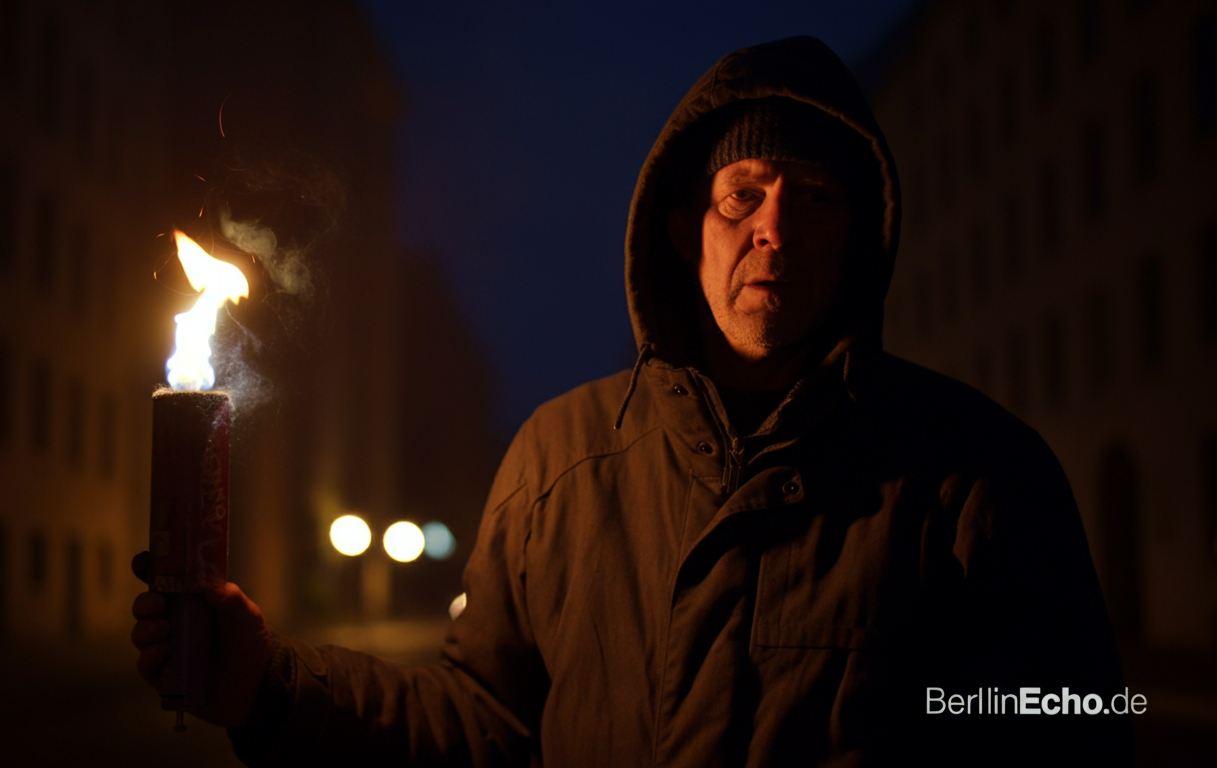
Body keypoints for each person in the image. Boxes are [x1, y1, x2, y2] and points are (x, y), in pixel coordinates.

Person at [131, 36, 1133, 766]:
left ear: (858, 241)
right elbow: (486, 722)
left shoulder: (976, 472)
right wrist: (267, 687)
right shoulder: (558, 462)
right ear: (684, 227)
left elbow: (1071, 718)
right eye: (743, 192)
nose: (774, 230)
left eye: (815, 199)